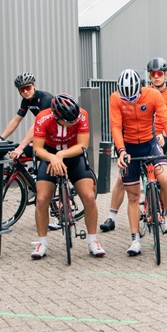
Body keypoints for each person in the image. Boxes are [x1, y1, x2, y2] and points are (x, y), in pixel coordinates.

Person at [101, 58, 167, 233]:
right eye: (153, 73)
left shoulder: (161, 96)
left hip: (154, 140)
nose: (129, 102)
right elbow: (115, 126)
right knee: (123, 181)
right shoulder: (115, 98)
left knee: (164, 178)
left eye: (159, 73)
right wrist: (121, 150)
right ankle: (112, 217)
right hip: (128, 142)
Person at [30, 94, 105, 259]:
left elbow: (83, 145)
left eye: (74, 120)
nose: (73, 123)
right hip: (49, 156)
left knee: (89, 196)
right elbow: (37, 148)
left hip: (73, 155)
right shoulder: (43, 118)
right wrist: (52, 158)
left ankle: (93, 240)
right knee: (42, 199)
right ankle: (42, 242)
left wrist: (61, 154)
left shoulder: (81, 115)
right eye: (69, 122)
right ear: (56, 116)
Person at [0, 73, 57, 228]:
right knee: (17, 158)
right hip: (43, 135)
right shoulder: (26, 101)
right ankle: (32, 186)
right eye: (21, 89)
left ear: (34, 85)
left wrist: (20, 147)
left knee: (36, 158)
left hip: (54, 137)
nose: (25, 91)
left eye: (28, 88)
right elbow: (16, 120)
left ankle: (59, 212)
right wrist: (1, 138)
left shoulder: (45, 99)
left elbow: (36, 127)